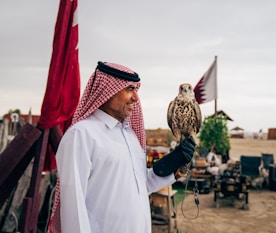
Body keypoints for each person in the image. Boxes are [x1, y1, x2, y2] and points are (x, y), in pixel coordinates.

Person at [48, 61, 196, 233]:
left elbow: (140, 186)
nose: (136, 97)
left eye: (136, 90)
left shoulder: (130, 136)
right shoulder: (82, 134)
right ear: (106, 91)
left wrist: (170, 165)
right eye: (129, 89)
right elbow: (73, 206)